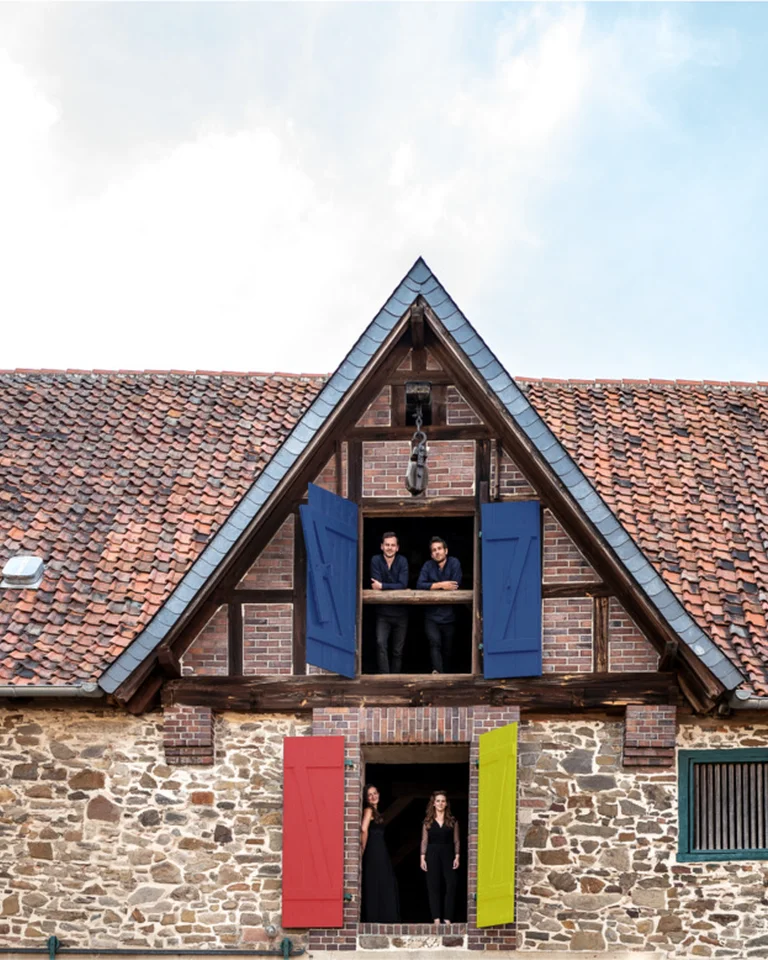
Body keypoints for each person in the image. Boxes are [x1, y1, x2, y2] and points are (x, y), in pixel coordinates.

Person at [416, 537, 462, 673]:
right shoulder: (427, 566)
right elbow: (419, 585)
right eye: (434, 550)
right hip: (431, 616)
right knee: (434, 644)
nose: (437, 552)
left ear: (446, 550)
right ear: (431, 554)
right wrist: (441, 585)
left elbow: (455, 584)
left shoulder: (454, 563)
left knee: (448, 649)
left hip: (449, 616)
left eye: (439, 549)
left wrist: (431, 586)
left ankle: (446, 674)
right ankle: (438, 673)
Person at [370, 531, 409, 673]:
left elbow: (403, 583)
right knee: (381, 644)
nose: (390, 548)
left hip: (401, 613)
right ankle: (384, 677)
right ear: (381, 546)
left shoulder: (402, 561)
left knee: (397, 650)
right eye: (387, 545)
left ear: (397, 548)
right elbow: (375, 583)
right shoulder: (375, 560)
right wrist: (395, 585)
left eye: (393, 545)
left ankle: (395, 677)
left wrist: (383, 586)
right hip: (383, 613)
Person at [360, 783, 400, 923]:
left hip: (380, 848)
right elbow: (364, 829)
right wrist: (363, 848)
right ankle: (376, 917)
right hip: (373, 849)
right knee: (377, 880)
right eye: (369, 795)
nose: (373, 796)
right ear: (366, 798)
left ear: (379, 794)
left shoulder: (377, 812)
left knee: (384, 879)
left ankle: (384, 917)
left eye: (375, 793)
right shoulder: (368, 810)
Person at [420, 789, 460, 925]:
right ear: (433, 804)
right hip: (432, 853)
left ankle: (447, 918)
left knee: (451, 884)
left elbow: (457, 841)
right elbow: (424, 841)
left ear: (446, 804)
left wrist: (457, 856)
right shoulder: (427, 822)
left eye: (443, 801)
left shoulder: (453, 821)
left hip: (448, 853)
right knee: (433, 886)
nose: (440, 803)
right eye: (438, 801)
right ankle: (436, 918)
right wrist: (422, 858)